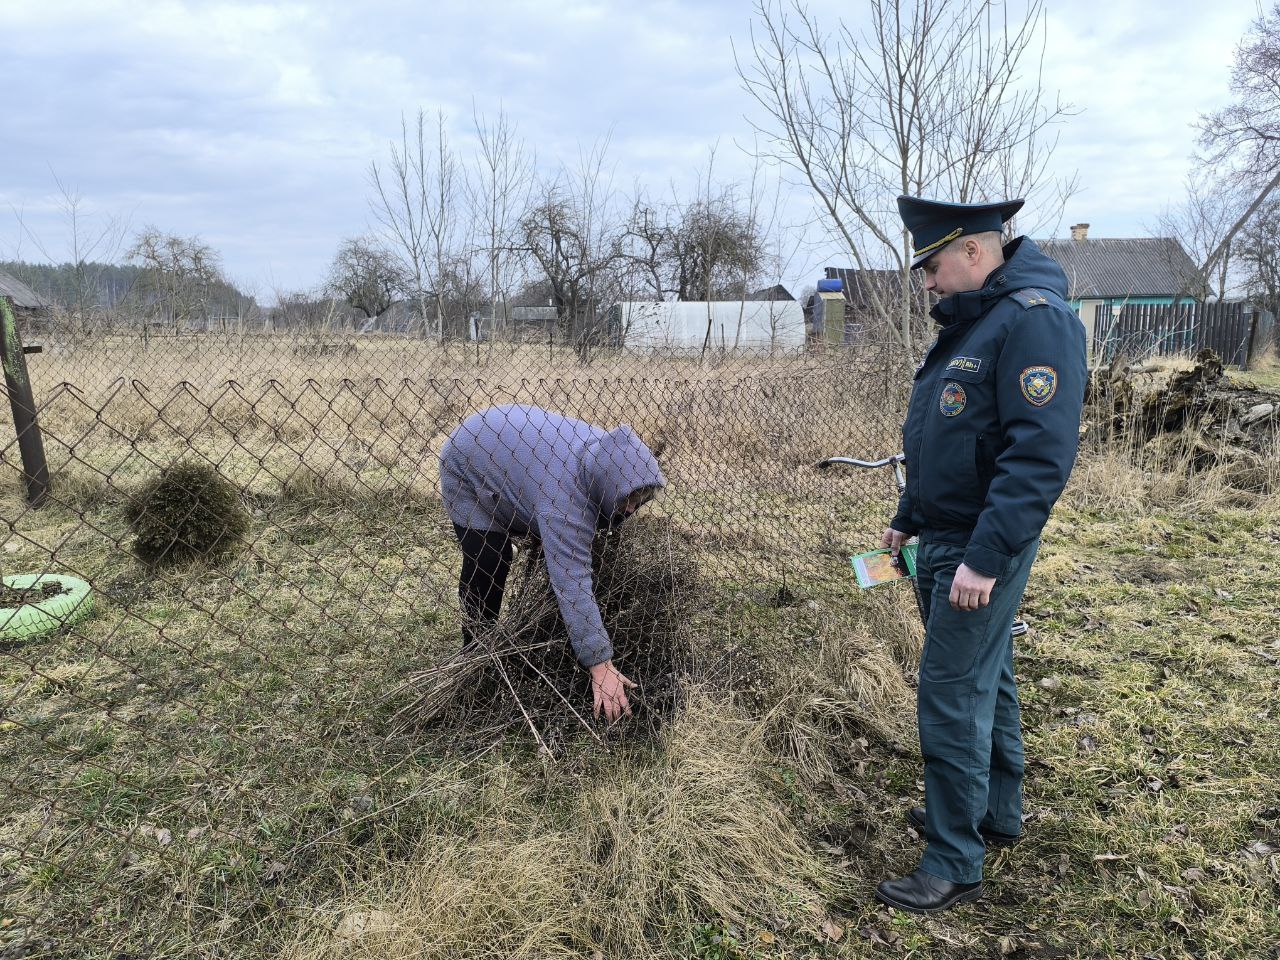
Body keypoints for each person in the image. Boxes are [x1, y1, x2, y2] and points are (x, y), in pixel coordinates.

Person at [874, 195, 1087, 914]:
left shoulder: (1032, 321)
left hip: (979, 546)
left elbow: (1039, 457)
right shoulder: (977, 321)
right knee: (984, 679)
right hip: (945, 536)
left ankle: (953, 859)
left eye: (932, 266)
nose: (928, 283)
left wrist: (986, 558)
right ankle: (992, 811)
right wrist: (908, 518)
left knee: (950, 690)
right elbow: (943, 439)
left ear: (973, 252)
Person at [439, 404, 665, 724]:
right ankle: (475, 655)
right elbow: (571, 580)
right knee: (490, 559)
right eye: (627, 499)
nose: (631, 507)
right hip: (470, 459)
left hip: (519, 457)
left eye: (638, 499)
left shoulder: (613, 457)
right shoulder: (563, 502)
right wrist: (601, 665)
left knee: (555, 545)